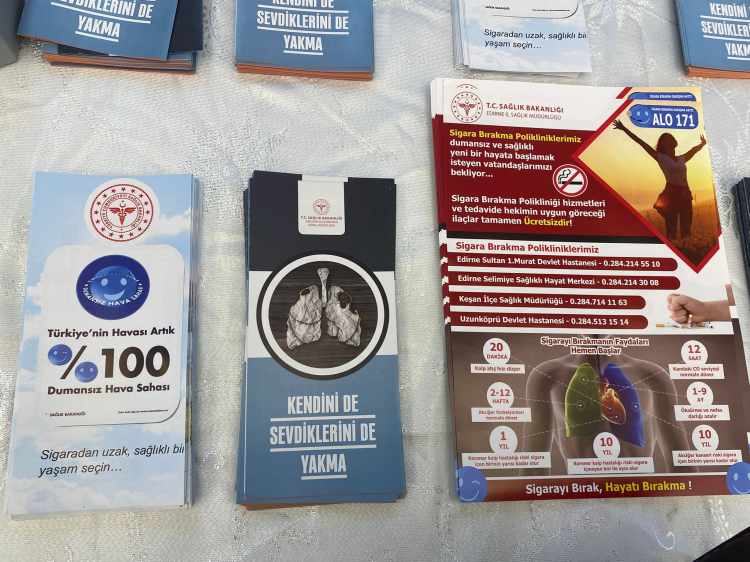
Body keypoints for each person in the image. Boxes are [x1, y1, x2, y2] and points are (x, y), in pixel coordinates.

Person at [612, 119, 706, 241]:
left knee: (686, 231)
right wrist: (624, 128)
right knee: (671, 231)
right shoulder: (660, 157)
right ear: (663, 144)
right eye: (668, 138)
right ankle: (673, 248)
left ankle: (687, 250)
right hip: (671, 195)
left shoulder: (682, 158)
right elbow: (641, 142)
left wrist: (702, 144)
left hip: (685, 194)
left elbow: (694, 150)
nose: (672, 138)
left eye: (672, 137)